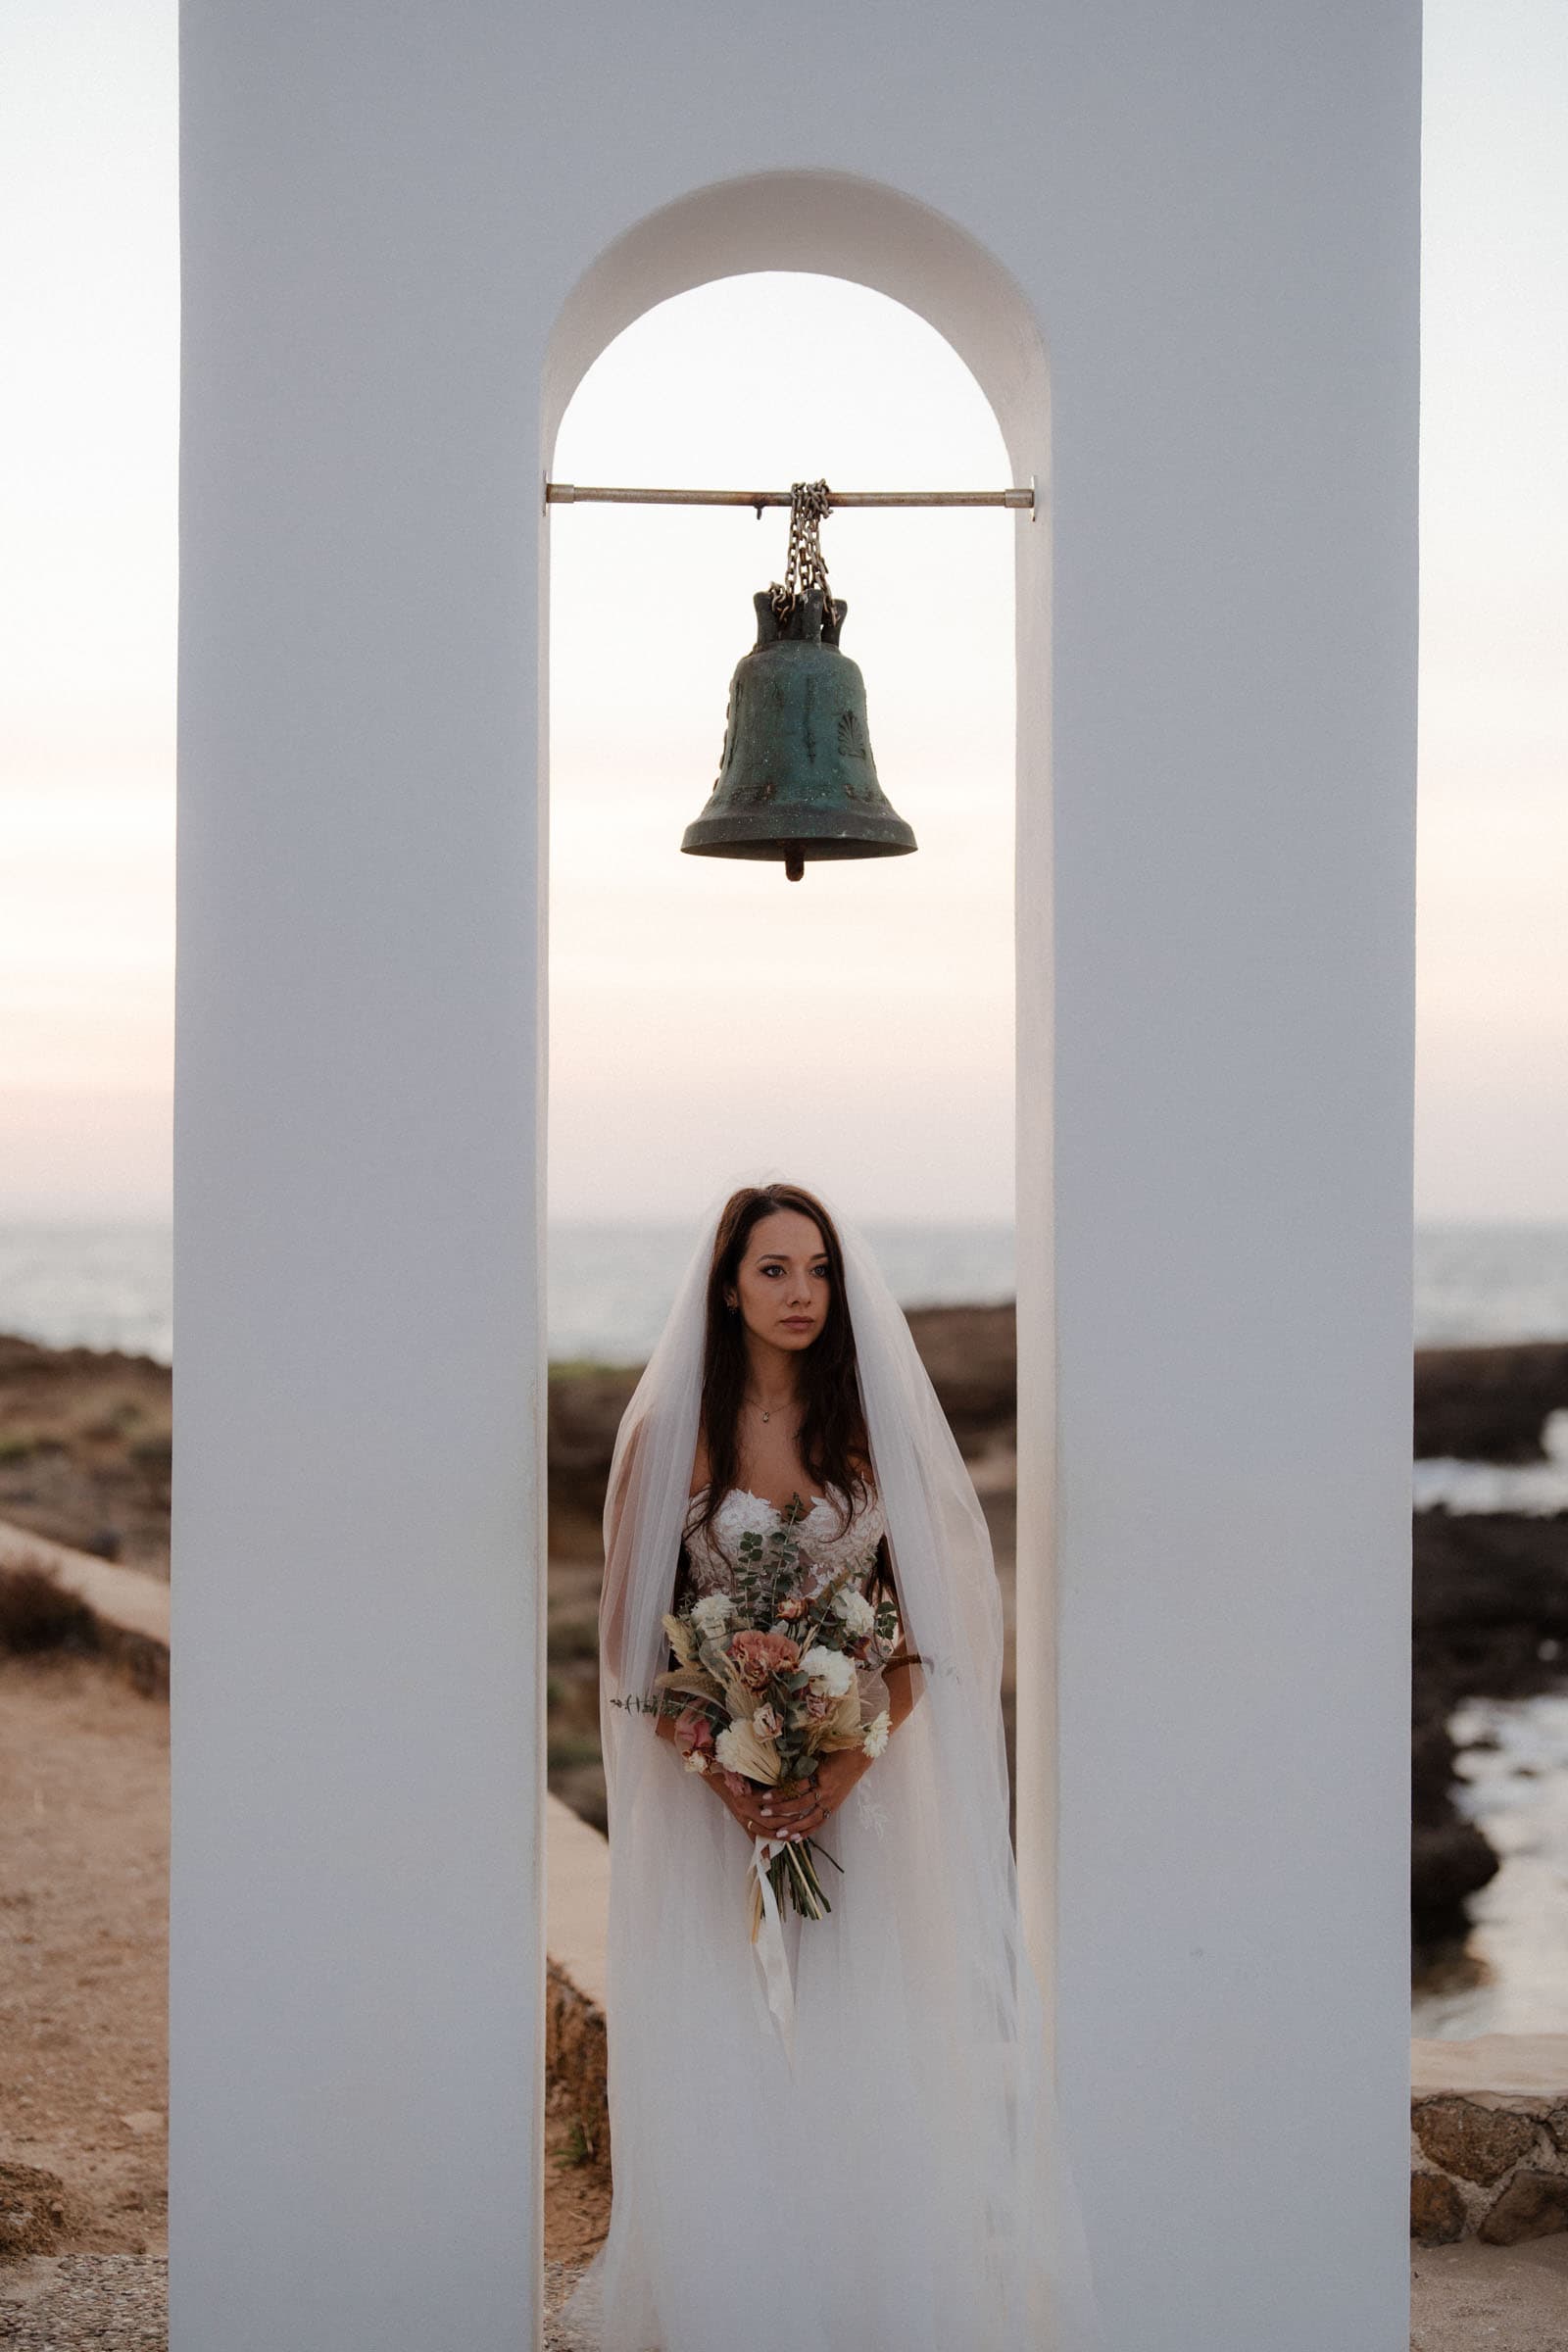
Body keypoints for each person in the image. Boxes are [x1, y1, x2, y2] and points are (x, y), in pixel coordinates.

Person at [558, 1181, 1104, 2352]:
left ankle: (873, 2290)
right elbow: (628, 1640)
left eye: (815, 1271)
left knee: (874, 2025)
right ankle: (731, 2292)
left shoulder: (870, 1433)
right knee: (709, 2019)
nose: (800, 1292)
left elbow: (921, 1639)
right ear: (726, 1286)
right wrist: (728, 1770)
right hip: (708, 1778)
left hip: (864, 1779)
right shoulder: (674, 1437)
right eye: (773, 1270)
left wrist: (843, 1763)